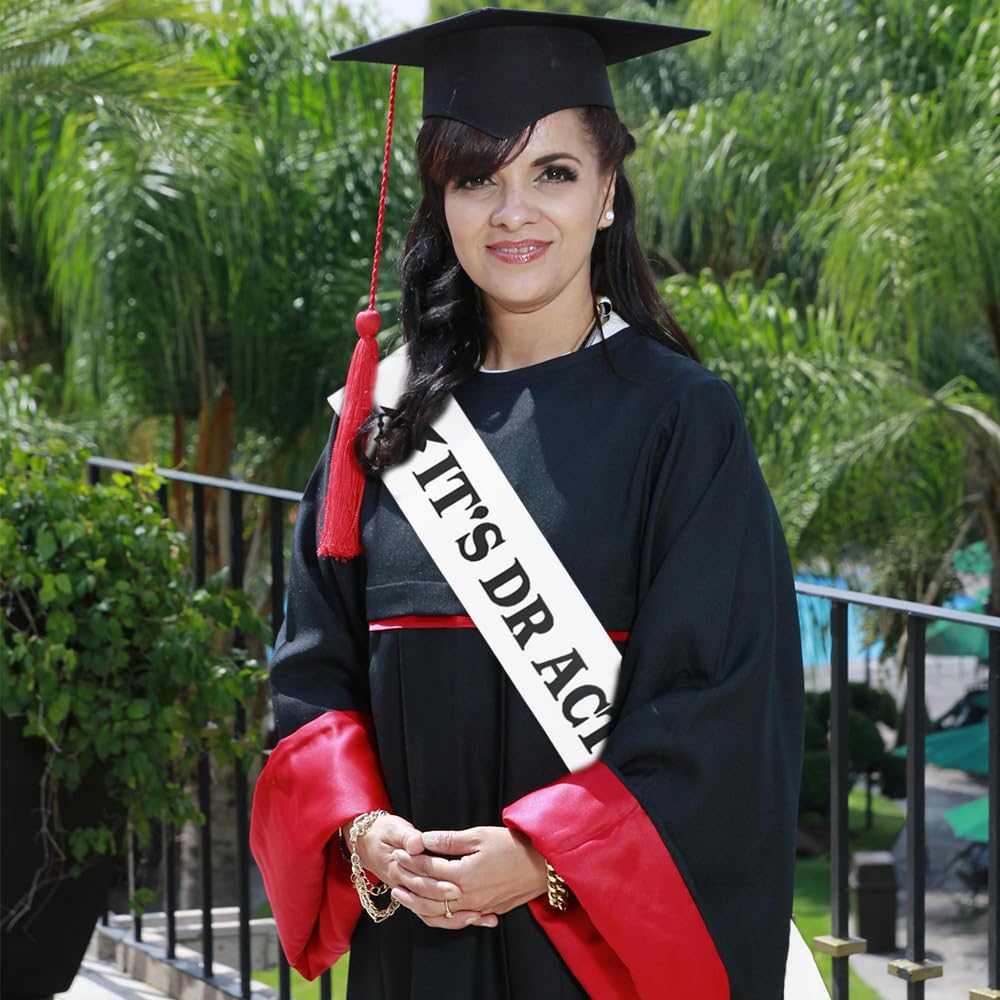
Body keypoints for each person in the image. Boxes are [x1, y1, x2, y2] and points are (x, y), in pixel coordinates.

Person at [250, 9, 805, 1000]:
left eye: (552, 172)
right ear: (441, 200)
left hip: (590, 960)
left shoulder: (682, 422)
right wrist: (360, 832)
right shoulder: (383, 426)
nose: (514, 211)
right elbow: (310, 669)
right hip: (414, 950)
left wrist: (545, 855)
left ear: (605, 194)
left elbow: (720, 715)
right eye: (476, 177)